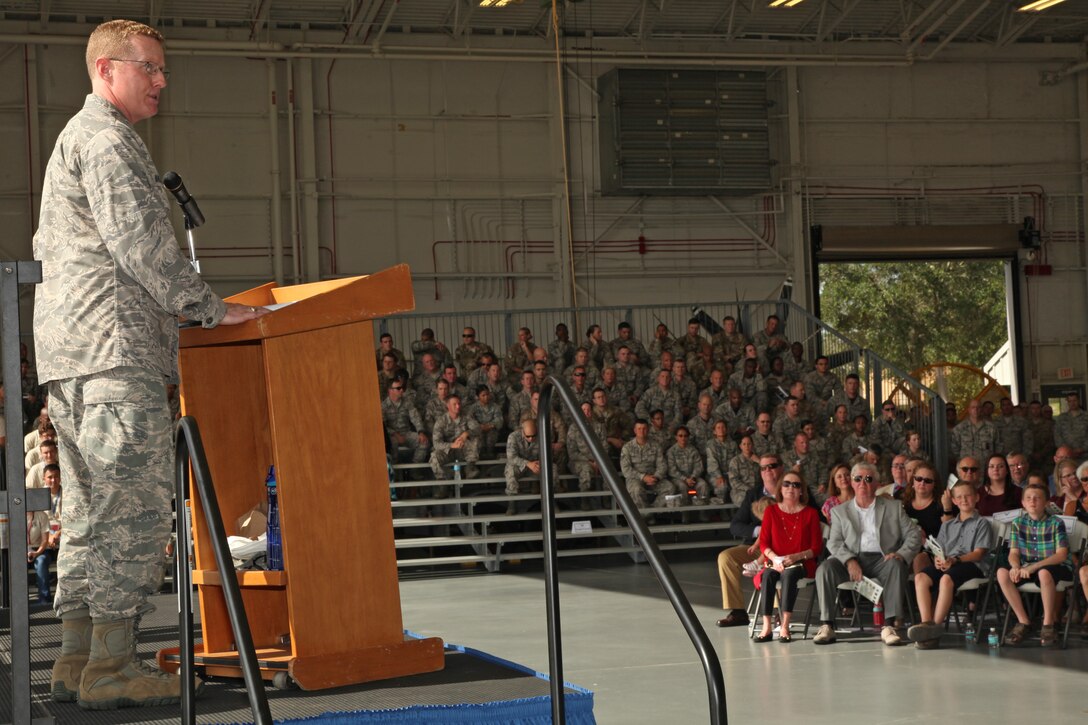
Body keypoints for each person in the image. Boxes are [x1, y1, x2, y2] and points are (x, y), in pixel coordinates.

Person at [32, 18, 268, 709]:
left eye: (164, 70)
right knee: (132, 512)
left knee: (89, 515)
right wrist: (206, 306)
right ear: (106, 70)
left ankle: (76, 659)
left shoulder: (73, 139)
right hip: (114, 354)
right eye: (150, 68)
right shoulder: (108, 140)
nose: (162, 81)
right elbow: (140, 243)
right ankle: (112, 667)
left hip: (75, 359)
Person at [813, 462, 921, 647]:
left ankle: (889, 626)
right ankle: (827, 625)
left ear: (876, 484)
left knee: (896, 565)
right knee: (825, 568)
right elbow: (834, 542)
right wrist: (849, 560)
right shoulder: (839, 511)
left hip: (883, 559)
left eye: (868, 479)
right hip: (851, 558)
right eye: (858, 479)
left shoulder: (893, 507)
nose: (863, 483)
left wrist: (901, 554)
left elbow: (914, 534)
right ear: (852, 483)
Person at [907, 479, 995, 649]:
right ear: (953, 501)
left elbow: (979, 554)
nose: (964, 500)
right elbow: (938, 549)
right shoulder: (947, 525)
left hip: (972, 565)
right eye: (959, 497)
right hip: (950, 563)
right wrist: (939, 560)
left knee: (946, 579)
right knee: (920, 577)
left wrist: (956, 560)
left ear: (976, 497)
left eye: (968, 496)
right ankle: (926, 623)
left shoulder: (981, 523)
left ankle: (935, 628)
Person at [997, 483, 1072, 647]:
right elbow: (1014, 553)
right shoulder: (1017, 523)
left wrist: (1034, 567)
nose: (1033, 501)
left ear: (1046, 503)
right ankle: (1023, 621)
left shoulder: (1056, 522)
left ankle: (1048, 623)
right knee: (1002, 573)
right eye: (1029, 498)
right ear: (1023, 503)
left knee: (1043, 573)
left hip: (1055, 567)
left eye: (1037, 498)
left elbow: (1061, 555)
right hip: (1027, 567)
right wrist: (1016, 566)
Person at [714, 453, 785, 628]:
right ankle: (737, 611)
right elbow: (735, 526)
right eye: (763, 467)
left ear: (781, 468)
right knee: (726, 557)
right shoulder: (753, 494)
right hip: (756, 546)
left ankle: (779, 612)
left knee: (775, 560)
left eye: (772, 466)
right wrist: (760, 530)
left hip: (783, 547)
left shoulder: (792, 489)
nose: (768, 470)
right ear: (760, 472)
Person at [753, 472, 823, 643]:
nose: (791, 488)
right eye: (786, 484)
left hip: (802, 562)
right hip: (775, 561)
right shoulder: (771, 511)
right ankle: (767, 626)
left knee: (789, 575)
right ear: (780, 488)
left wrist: (796, 556)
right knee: (768, 575)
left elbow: (816, 548)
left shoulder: (811, 514)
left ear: (802, 491)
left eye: (796, 485)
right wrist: (775, 558)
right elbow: (763, 543)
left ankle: (785, 625)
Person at [901, 463, 948, 576]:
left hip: (934, 552)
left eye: (927, 481)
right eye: (918, 479)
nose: (922, 483)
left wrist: (925, 541)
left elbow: (950, 534)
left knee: (919, 559)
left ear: (934, 485)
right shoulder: (904, 506)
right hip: (907, 548)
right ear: (913, 481)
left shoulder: (941, 504)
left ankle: (922, 593)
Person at [620, 419, 671, 511]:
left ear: (648, 430)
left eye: (644, 429)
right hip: (635, 478)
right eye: (639, 429)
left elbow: (662, 465)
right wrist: (643, 477)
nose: (642, 431)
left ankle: (650, 512)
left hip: (653, 477)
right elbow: (626, 470)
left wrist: (656, 477)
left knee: (670, 488)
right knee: (636, 490)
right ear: (635, 430)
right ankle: (644, 517)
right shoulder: (627, 447)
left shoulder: (656, 446)